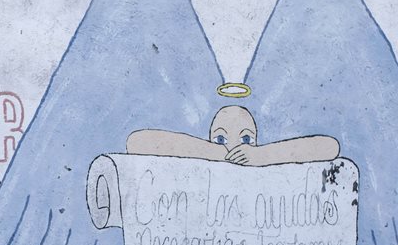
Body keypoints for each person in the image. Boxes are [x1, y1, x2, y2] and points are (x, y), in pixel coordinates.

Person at [126, 104, 339, 165]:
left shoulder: (263, 166)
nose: (236, 148)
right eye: (221, 139)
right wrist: (214, 152)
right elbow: (136, 142)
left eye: (246, 139)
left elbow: (330, 147)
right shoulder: (205, 163)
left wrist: (262, 156)